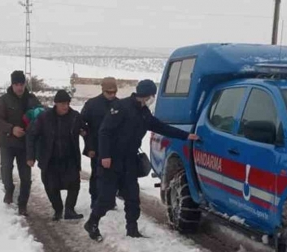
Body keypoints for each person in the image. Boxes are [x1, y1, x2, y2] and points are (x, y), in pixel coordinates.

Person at [84, 79, 199, 241]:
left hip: (130, 160)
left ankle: (132, 229)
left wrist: (186, 135)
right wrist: (105, 155)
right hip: (113, 159)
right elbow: (104, 131)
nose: (153, 98)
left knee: (132, 197)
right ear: (146, 94)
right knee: (106, 197)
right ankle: (92, 223)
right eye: (152, 94)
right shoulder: (121, 107)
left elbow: (160, 127)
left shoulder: (144, 111)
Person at [27, 90, 86, 221]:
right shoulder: (44, 117)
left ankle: (70, 209)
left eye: (67, 103)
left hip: (69, 158)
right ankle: (58, 209)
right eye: (62, 104)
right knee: (51, 186)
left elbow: (85, 129)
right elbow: (32, 135)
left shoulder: (75, 116)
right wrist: (30, 156)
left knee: (74, 184)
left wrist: (84, 133)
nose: (65, 106)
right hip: (50, 158)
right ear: (56, 104)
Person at [0, 70, 40, 216]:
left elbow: (41, 116)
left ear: (25, 84)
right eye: (16, 84)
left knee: (26, 176)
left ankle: (23, 204)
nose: (19, 87)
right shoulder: (4, 100)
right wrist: (11, 129)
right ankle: (9, 189)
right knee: (6, 169)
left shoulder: (32, 99)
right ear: (12, 84)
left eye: (21, 84)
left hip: (25, 145)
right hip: (7, 142)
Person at [80, 77, 119, 207]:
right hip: (96, 146)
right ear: (103, 90)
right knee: (97, 174)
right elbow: (83, 125)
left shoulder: (120, 104)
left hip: (114, 147)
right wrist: (89, 146)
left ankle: (110, 199)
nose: (112, 95)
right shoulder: (92, 104)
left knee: (113, 175)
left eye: (114, 92)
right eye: (109, 92)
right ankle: (95, 199)